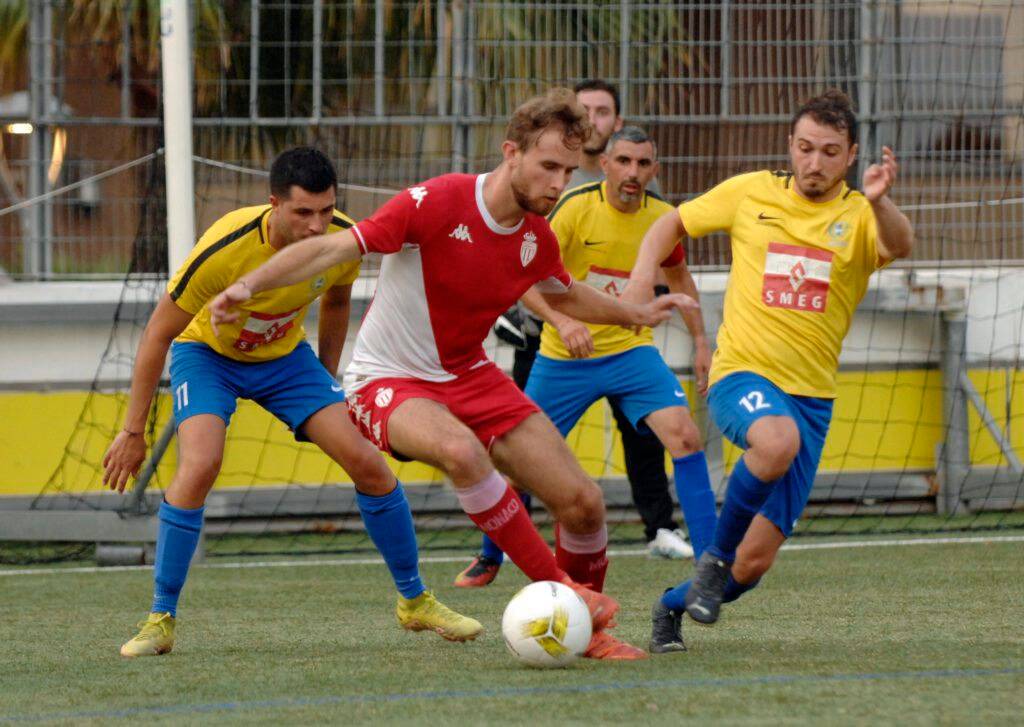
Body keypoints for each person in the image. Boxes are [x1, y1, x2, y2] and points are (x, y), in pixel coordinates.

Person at [208, 89, 699, 660]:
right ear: (511, 152)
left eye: (568, 171)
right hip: (387, 378)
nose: (558, 183)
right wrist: (247, 286)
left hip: (470, 375)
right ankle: (566, 593)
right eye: (548, 167)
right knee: (460, 451)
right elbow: (329, 250)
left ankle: (584, 634)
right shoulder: (435, 201)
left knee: (584, 502)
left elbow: (566, 292)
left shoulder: (535, 237)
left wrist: (636, 313)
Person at [103, 147, 482, 658]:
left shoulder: (343, 240)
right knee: (201, 464)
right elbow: (157, 334)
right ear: (274, 204)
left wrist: (325, 381)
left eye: (326, 210)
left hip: (285, 360)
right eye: (303, 212)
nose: (317, 225)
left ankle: (415, 601)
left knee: (368, 463)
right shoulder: (224, 250)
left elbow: (337, 301)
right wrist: (133, 432)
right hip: (208, 356)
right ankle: (160, 619)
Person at [627, 90, 914, 653]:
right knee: (775, 442)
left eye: (829, 152)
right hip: (742, 374)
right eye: (805, 148)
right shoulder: (750, 191)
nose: (814, 162)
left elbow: (900, 244)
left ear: (851, 154)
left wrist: (880, 201)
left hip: (813, 401)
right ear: (790, 145)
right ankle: (712, 559)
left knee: (751, 567)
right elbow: (670, 224)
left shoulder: (861, 214)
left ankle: (670, 606)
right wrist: (641, 279)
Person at [456, 126, 718, 590]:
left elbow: (680, 278)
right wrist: (562, 322)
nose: (633, 172)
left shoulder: (663, 218)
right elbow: (522, 275)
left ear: (654, 170)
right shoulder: (574, 208)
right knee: (521, 460)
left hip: (631, 353)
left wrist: (701, 342)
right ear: (604, 165)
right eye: (624, 161)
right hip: (563, 359)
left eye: (643, 163)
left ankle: (712, 561)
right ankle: (489, 556)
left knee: (685, 436)